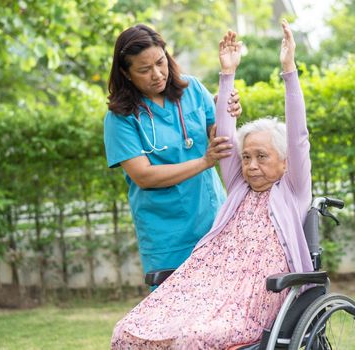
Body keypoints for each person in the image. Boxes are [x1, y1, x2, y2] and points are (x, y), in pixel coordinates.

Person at [110, 19, 313, 349]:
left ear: (286, 160)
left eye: (262, 157)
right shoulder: (239, 187)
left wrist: (288, 68)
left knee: (190, 338)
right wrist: (227, 72)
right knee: (127, 331)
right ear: (127, 73)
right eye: (246, 158)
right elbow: (224, 141)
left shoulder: (291, 191)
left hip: (250, 296)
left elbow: (296, 135)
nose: (251, 166)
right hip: (199, 273)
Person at [104, 24, 241, 274]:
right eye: (144, 69)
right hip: (167, 236)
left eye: (160, 62)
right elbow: (143, 176)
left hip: (214, 220)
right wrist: (203, 162)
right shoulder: (121, 118)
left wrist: (227, 106)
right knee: (172, 310)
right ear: (126, 73)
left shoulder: (192, 89)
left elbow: (219, 135)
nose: (157, 74)